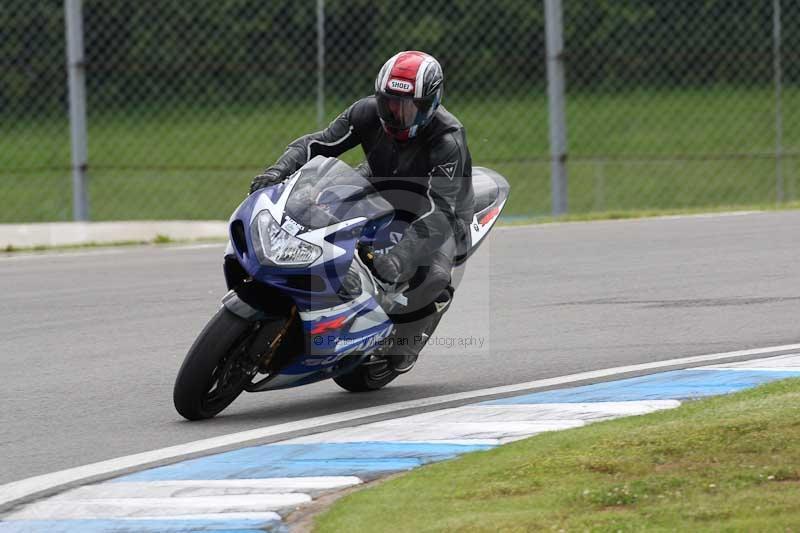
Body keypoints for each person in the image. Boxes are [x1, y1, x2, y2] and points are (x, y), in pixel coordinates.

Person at [250, 50, 474, 373]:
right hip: (381, 180)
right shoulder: (365, 113)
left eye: (407, 107)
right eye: (389, 103)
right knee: (319, 203)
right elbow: (317, 143)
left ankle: (406, 343)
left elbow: (441, 214)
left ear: (430, 105)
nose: (395, 114)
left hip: (441, 212)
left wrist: (399, 258)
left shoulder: (447, 140)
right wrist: (278, 171)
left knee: (435, 279)